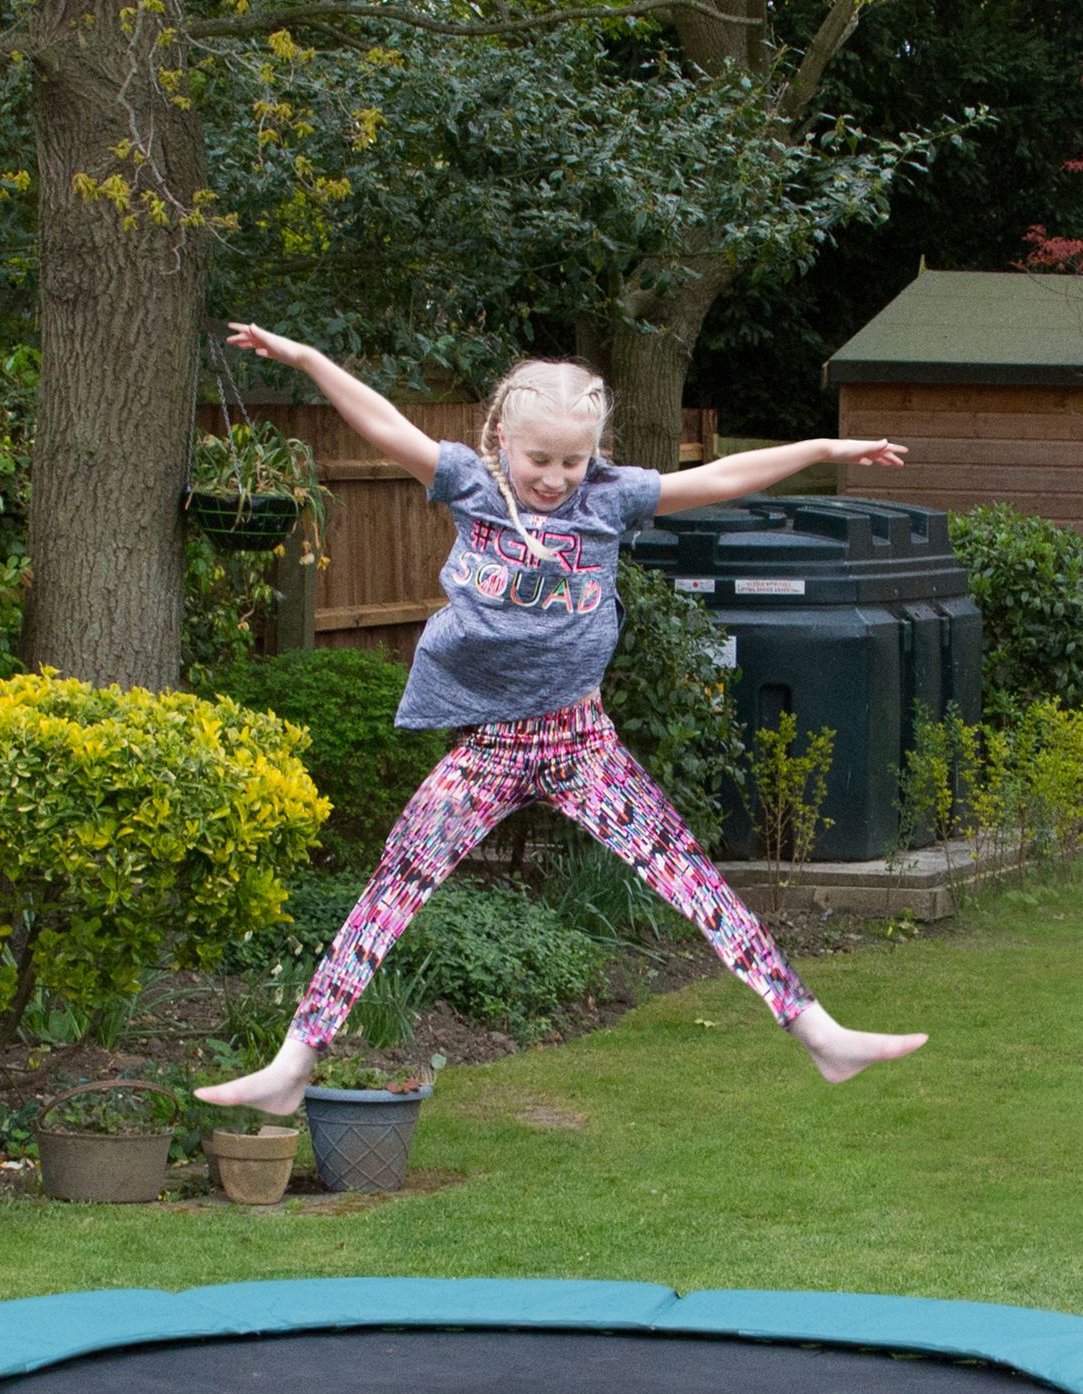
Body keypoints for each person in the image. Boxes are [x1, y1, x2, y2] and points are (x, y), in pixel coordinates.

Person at [197, 324, 927, 1115]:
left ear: (595, 453)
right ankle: (294, 1063)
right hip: (488, 749)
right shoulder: (469, 485)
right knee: (392, 884)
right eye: (539, 459)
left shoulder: (611, 499)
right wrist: (307, 360)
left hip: (583, 742)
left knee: (690, 875)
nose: (555, 478)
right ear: (502, 439)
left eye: (572, 461)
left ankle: (817, 1031)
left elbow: (720, 477)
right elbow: (381, 424)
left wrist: (820, 445)